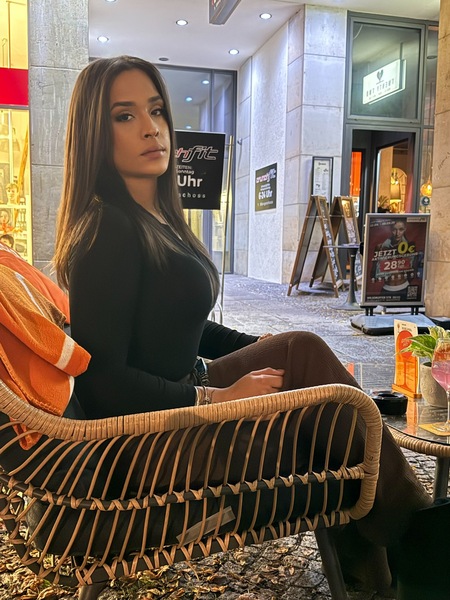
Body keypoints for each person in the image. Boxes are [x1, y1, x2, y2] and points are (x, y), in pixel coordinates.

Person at [53, 56, 432, 593]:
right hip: (152, 443)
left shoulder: (153, 219)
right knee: (329, 429)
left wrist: (266, 349)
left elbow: (185, 324)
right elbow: (102, 382)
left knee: (302, 352)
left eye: (156, 110)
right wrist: (217, 397)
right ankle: (417, 542)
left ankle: (384, 564)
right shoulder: (106, 230)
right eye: (124, 115)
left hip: (179, 405)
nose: (151, 128)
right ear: (94, 132)